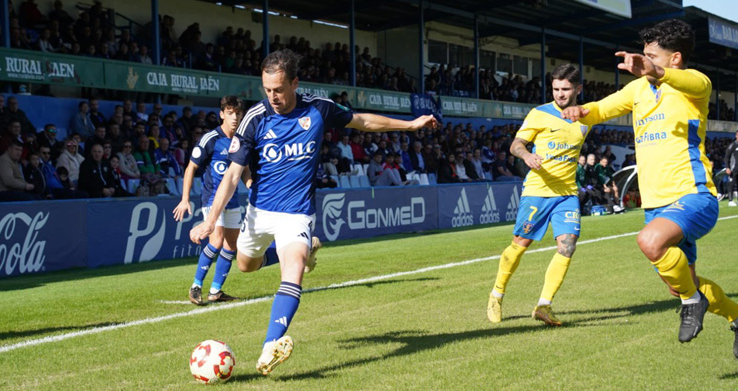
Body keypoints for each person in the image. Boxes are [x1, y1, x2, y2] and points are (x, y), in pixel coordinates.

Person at [189, 49, 437, 376]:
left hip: (297, 212)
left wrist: (410, 125)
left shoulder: (319, 108)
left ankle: (270, 347)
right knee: (246, 266)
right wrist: (210, 220)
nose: (272, 96)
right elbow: (233, 175)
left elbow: (362, 121)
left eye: (278, 89)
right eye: (267, 90)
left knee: (293, 269)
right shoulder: (255, 118)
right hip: (259, 212)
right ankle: (305, 252)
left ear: (295, 82)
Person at [561, 19, 738, 357]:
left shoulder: (695, 85)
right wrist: (580, 111)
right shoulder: (637, 90)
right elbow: (603, 108)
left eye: (651, 55)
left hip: (693, 194)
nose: (642, 61)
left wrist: (656, 71)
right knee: (680, 285)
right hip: (656, 205)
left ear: (674, 58)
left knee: (650, 242)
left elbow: (691, 80)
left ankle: (693, 303)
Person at [487, 63, 588, 327]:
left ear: (578, 89)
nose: (559, 94)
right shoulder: (539, 114)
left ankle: (544, 305)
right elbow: (515, 145)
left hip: (566, 193)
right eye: (555, 89)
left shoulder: (586, 118)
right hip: (537, 192)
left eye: (565, 89)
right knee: (519, 246)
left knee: (567, 246)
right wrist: (528, 155)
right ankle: (497, 294)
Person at [175, 96, 249, 305]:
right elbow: (191, 167)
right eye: (230, 112)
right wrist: (185, 199)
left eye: (238, 113)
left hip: (233, 200)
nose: (234, 117)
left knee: (231, 245)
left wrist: (251, 184)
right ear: (222, 114)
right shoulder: (211, 139)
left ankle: (215, 290)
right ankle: (196, 286)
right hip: (211, 199)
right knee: (215, 240)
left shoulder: (242, 140)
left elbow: (245, 170)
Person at [723, 130, 738, 206]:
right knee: (731, 184)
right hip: (733, 168)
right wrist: (727, 167)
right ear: (736, 136)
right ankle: (730, 200)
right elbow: (727, 157)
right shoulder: (733, 145)